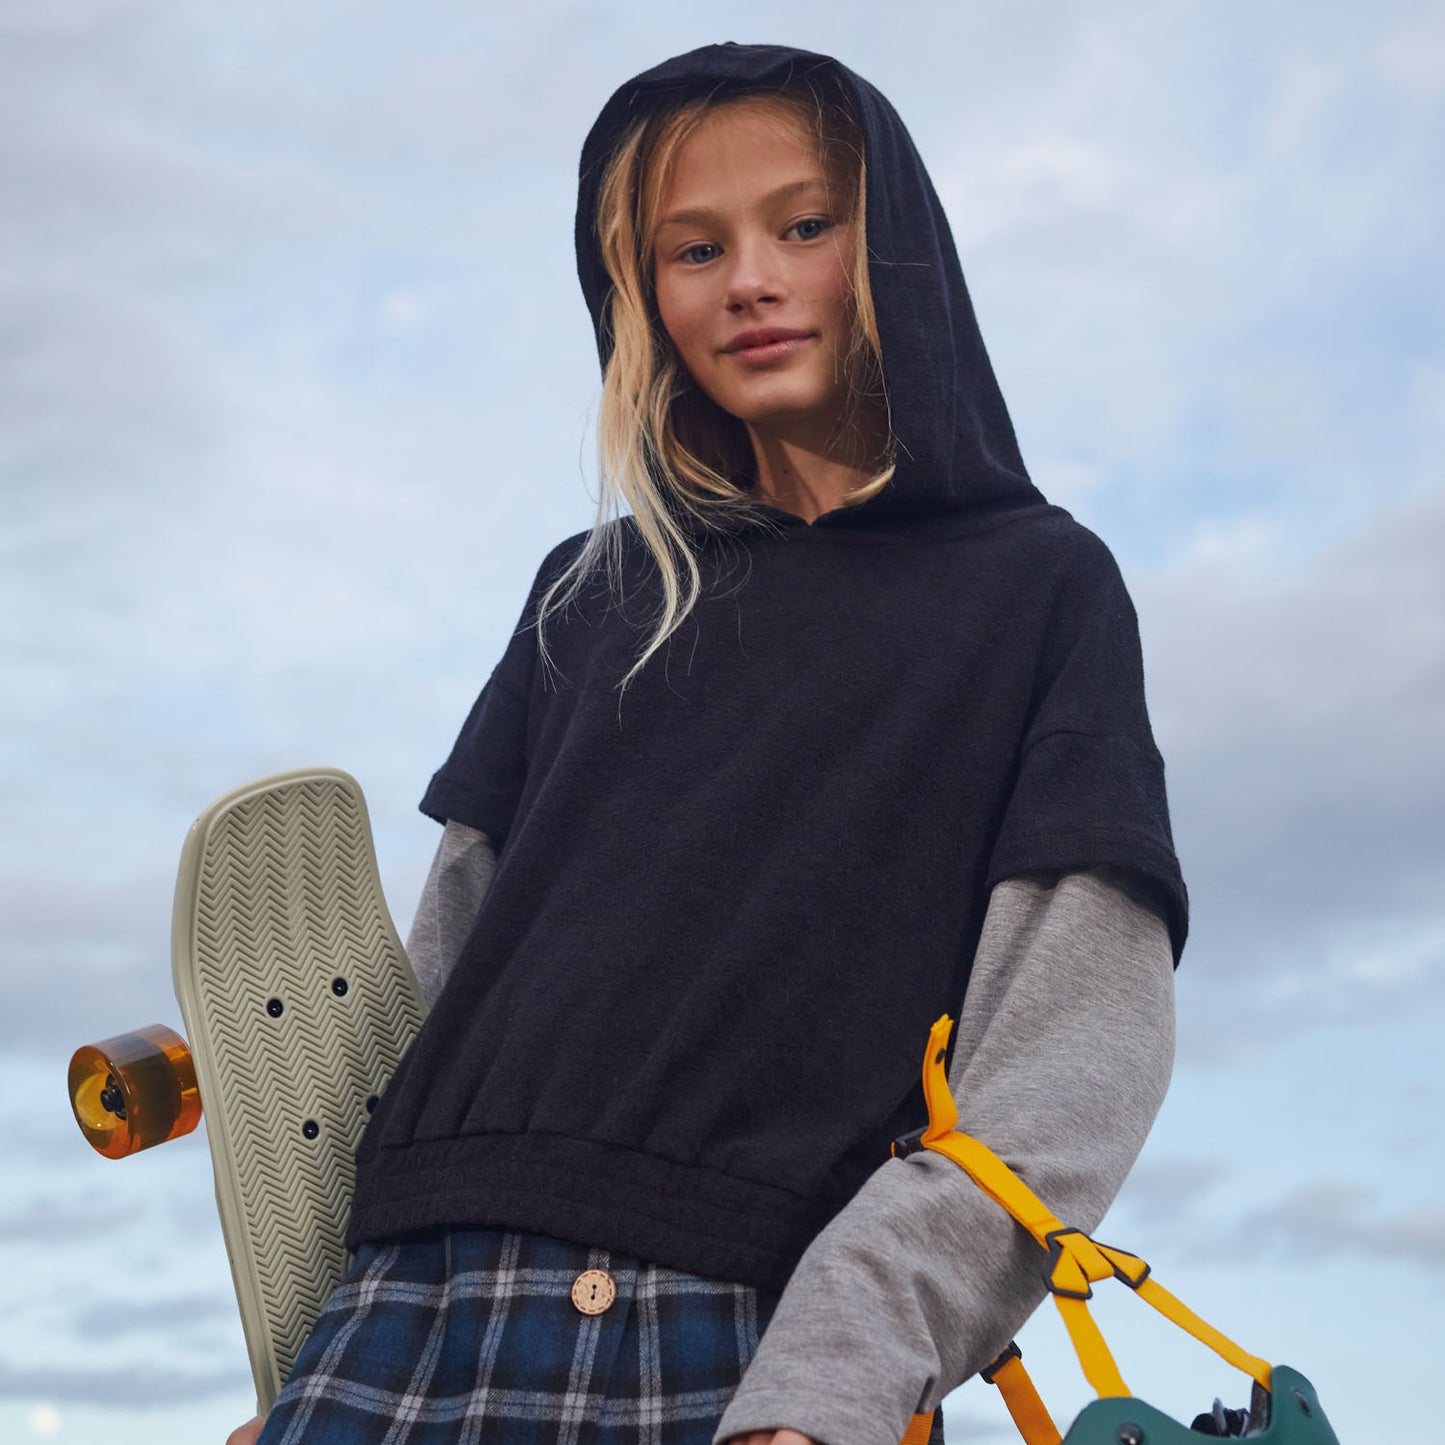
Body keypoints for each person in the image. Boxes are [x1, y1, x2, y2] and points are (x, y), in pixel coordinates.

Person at [227, 41, 1185, 1445]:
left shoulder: (1037, 589)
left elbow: (1068, 1057)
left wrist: (836, 1376)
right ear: (640, 296)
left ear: (894, 246)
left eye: (805, 225)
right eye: (693, 248)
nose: (749, 280)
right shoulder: (585, 591)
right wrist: (326, 1337)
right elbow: (450, 973)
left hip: (738, 1338)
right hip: (397, 1320)